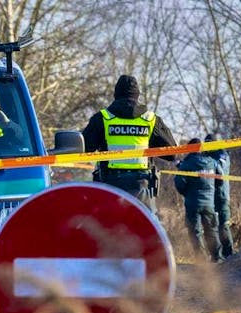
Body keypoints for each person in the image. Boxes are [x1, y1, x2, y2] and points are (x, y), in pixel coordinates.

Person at [82, 74, 177, 213]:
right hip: (142, 187)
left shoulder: (103, 118)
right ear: (137, 95)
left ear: (116, 94)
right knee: (146, 231)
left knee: (104, 230)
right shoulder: (150, 119)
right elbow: (172, 154)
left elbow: (84, 149)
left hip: (110, 187)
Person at [174, 138, 224, 262]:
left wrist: (186, 193)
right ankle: (217, 257)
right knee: (212, 230)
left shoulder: (186, 164)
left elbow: (179, 183)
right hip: (209, 203)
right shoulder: (212, 162)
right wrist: (212, 190)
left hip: (192, 203)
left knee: (195, 232)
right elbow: (221, 179)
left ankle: (201, 260)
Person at [205, 133, 234, 259]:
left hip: (221, 195)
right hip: (209, 196)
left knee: (223, 226)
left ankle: (229, 255)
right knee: (211, 226)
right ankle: (216, 255)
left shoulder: (222, 154)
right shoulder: (207, 155)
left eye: (209, 142)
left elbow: (220, 172)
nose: (206, 145)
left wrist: (209, 162)